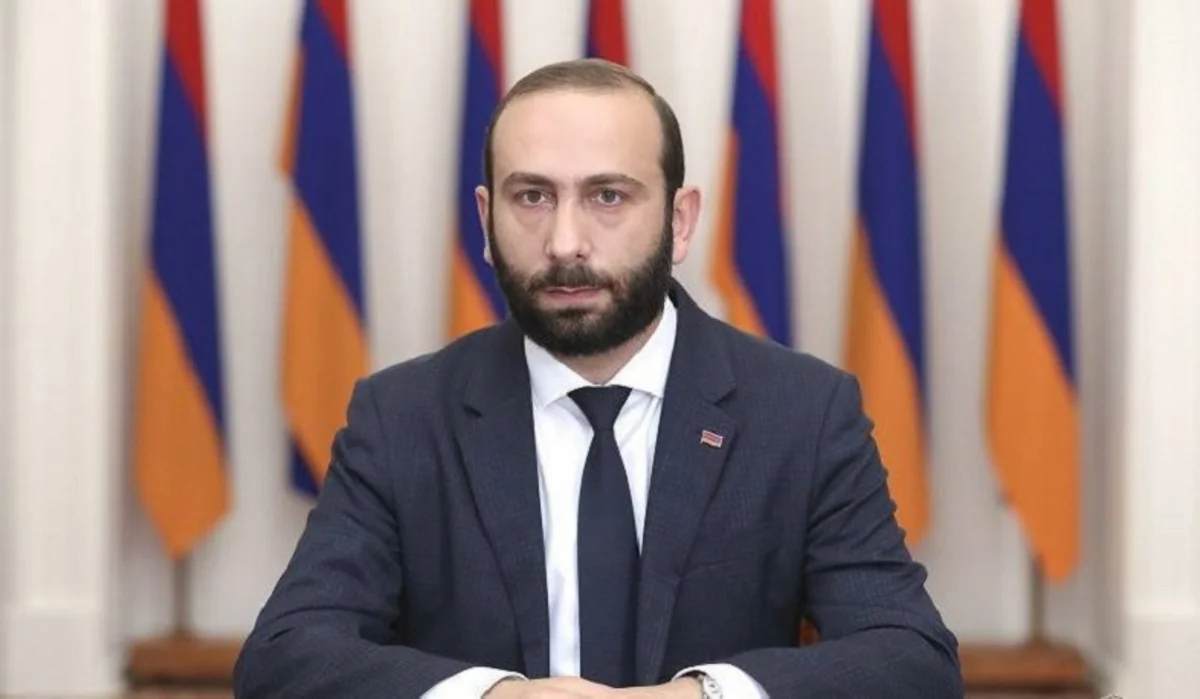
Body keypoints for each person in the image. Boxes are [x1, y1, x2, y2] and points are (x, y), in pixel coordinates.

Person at [233, 58, 962, 699]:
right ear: (486, 219)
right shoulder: (403, 417)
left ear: (680, 220)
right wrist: (494, 696)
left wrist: (703, 695)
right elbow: (285, 657)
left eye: (608, 196)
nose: (565, 242)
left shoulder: (802, 412)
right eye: (532, 196)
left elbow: (910, 659)